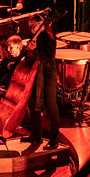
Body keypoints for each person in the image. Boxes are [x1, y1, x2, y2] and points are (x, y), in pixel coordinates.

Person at [23, 13, 59, 149]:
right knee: (33, 103)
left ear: (41, 23)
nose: (31, 28)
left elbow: (48, 60)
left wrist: (35, 51)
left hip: (48, 74)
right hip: (36, 73)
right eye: (30, 26)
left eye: (34, 26)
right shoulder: (37, 36)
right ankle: (36, 135)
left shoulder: (48, 37)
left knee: (51, 105)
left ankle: (54, 140)